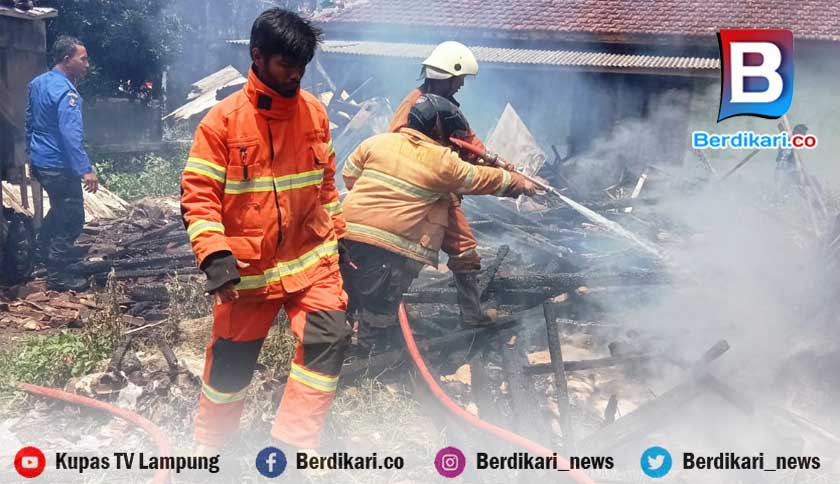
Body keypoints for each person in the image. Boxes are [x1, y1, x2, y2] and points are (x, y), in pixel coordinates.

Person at [180, 8, 351, 454]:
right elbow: (199, 195)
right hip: (248, 274)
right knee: (229, 373)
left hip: (312, 264)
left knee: (329, 338)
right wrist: (214, 253)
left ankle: (292, 449)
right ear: (257, 56)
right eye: (285, 65)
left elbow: (326, 186)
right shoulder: (221, 123)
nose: (295, 75)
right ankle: (211, 452)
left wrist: (339, 233)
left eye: (302, 67)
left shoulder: (314, 113)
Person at [341, 94, 539, 353]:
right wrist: (519, 183)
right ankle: (370, 364)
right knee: (378, 308)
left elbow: (349, 176)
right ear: (438, 127)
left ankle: (328, 356)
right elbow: (480, 178)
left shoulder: (376, 143)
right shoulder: (442, 161)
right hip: (388, 250)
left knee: (342, 297)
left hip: (343, 237)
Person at [389, 41, 501, 327]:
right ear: (448, 76)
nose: (462, 84)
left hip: (440, 189)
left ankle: (472, 314)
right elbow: (401, 145)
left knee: (462, 249)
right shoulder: (414, 105)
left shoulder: (445, 105)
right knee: (409, 251)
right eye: (459, 79)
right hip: (418, 192)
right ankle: (381, 315)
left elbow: (468, 140)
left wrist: (495, 163)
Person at [25, 35, 98, 291]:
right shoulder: (67, 93)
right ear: (67, 60)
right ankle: (57, 275)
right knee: (72, 217)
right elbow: (71, 135)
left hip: (41, 161)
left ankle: (41, 254)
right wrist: (85, 169)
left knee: (58, 209)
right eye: (83, 58)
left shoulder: (37, 84)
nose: (87, 64)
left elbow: (30, 123)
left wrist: (30, 155)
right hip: (58, 164)